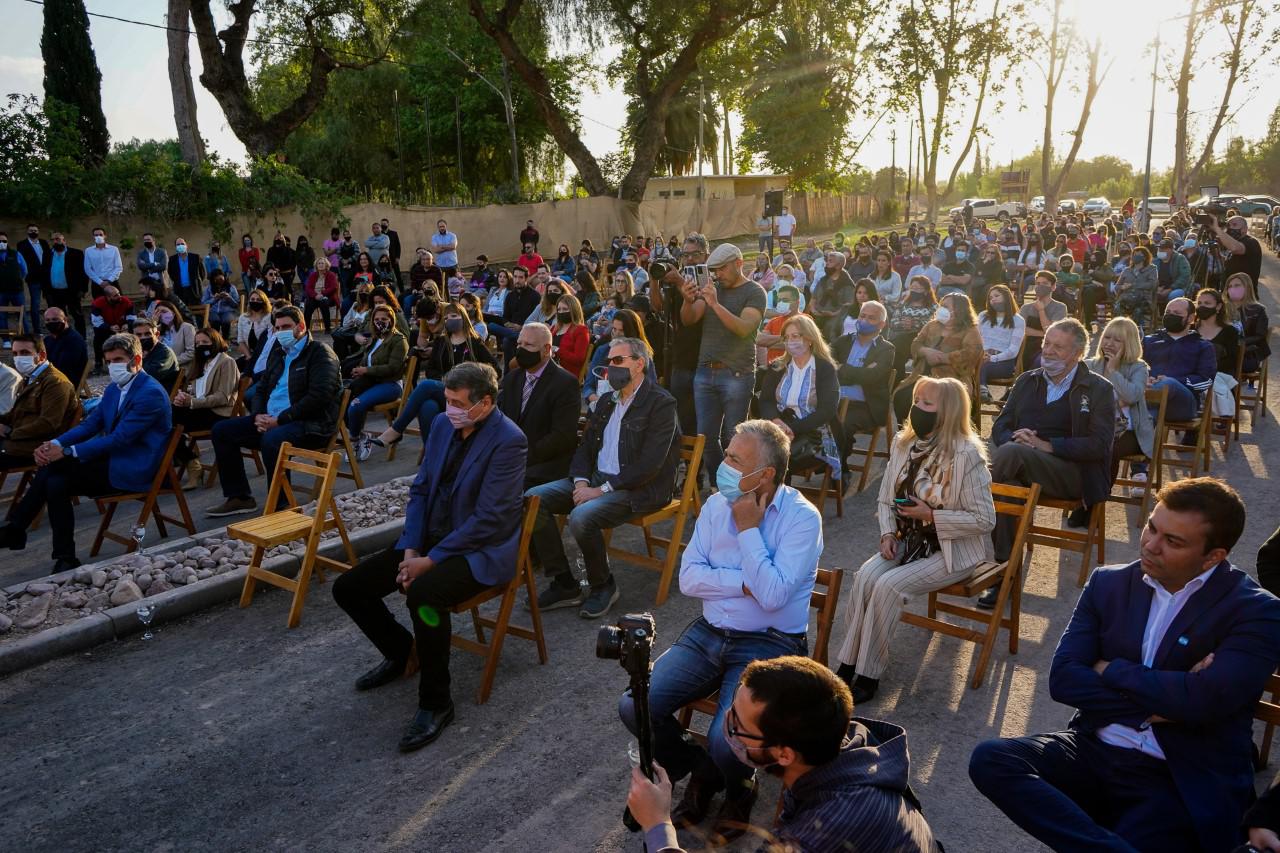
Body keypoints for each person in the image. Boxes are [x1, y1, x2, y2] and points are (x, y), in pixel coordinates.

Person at [970, 477, 1280, 853]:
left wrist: (1110, 669)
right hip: (1095, 750)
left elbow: (1205, 701)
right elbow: (1064, 679)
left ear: (1214, 556)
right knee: (991, 759)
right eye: (1152, 527)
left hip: (1178, 775)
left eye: (1173, 541)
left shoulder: (1258, 611)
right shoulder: (1108, 582)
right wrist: (1168, 700)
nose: (1150, 545)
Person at [619, 421, 821, 840]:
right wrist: (741, 581)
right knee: (633, 705)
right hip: (709, 631)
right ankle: (701, 766)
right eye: (726, 453)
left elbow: (772, 595)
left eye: (734, 459)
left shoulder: (802, 518)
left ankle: (739, 787)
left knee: (726, 736)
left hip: (771, 642)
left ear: (765, 474)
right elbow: (689, 579)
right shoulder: (715, 506)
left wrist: (748, 529)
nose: (722, 464)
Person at [333, 362, 525, 753]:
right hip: (428, 542)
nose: (449, 408)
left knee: (423, 594)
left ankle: (437, 702)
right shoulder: (441, 425)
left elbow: (489, 520)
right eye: (447, 400)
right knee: (349, 588)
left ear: (484, 403)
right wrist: (410, 549)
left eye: (457, 403)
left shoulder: (509, 440)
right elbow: (420, 491)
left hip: (477, 551)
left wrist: (430, 561)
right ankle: (403, 652)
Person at [629, 656, 941, 853]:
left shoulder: (827, 826)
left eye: (739, 723)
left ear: (785, 754)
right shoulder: (843, 749)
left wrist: (658, 826)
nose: (726, 723)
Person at [834, 377, 996, 703]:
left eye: (927, 403)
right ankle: (846, 665)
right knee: (865, 577)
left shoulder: (967, 455)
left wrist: (931, 515)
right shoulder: (904, 443)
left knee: (887, 586)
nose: (916, 408)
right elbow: (884, 499)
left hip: (950, 551)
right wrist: (886, 533)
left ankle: (868, 674)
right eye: (916, 400)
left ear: (948, 412)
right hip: (909, 541)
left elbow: (984, 520)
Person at [527, 336, 680, 618]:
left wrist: (602, 490)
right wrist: (582, 481)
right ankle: (564, 582)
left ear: (639, 364)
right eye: (609, 361)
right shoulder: (608, 400)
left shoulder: (661, 404)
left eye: (618, 360)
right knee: (533, 500)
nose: (611, 367)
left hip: (639, 488)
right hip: (597, 479)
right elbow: (585, 446)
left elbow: (650, 464)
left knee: (581, 517)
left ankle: (603, 585)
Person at [0, 332, 171, 572]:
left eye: (119, 360)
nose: (113, 366)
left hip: (133, 466)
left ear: (137, 361)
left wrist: (67, 451)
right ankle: (62, 555)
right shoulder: (115, 388)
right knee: (56, 480)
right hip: (110, 459)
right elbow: (90, 425)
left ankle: (18, 530)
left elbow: (120, 439)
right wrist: (55, 443)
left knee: (56, 473)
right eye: (109, 361)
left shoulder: (149, 393)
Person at [984, 319, 1115, 606]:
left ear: (1078, 353)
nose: (1049, 351)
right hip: (1020, 464)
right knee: (1007, 482)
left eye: (1059, 346)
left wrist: (1047, 445)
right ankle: (1005, 573)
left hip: (1070, 474)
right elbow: (1000, 426)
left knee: (1006, 457)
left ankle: (973, 510)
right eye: (1047, 343)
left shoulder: (1098, 389)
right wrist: (1014, 437)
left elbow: (1100, 445)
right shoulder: (1027, 380)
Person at [206, 306, 341, 517]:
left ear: (301, 327)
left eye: (286, 327)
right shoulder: (278, 353)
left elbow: (319, 397)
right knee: (222, 431)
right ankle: (239, 497)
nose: (280, 332)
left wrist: (280, 419)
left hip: (310, 423)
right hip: (272, 419)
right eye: (277, 328)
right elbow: (261, 388)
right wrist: (258, 414)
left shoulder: (320, 353)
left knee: (272, 439)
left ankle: (280, 504)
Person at [683, 243, 767, 480]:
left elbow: (744, 329)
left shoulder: (754, 291)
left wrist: (715, 305)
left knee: (735, 439)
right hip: (705, 371)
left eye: (722, 269)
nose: (717, 275)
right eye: (714, 270)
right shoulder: (712, 288)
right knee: (705, 437)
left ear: (739, 264)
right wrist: (687, 300)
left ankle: (739, 486)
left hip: (737, 373)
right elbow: (689, 320)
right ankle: (722, 485)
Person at [371, 302, 495, 452]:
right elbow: (431, 370)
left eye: (454, 316)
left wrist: (470, 377)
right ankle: (434, 456)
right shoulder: (441, 342)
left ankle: (397, 430)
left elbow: (495, 369)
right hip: (445, 392)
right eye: (447, 317)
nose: (450, 320)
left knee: (425, 387)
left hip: (465, 394)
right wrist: (444, 380)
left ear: (463, 318)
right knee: (427, 406)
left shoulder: (474, 342)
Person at [497, 323, 580, 488]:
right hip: (509, 456)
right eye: (519, 344)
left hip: (544, 463)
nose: (521, 349)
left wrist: (523, 456)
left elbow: (562, 435)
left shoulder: (565, 383)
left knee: (505, 483)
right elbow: (499, 419)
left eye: (529, 345)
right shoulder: (512, 379)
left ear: (546, 349)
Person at [758, 314, 840, 477]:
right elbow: (766, 400)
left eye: (795, 336)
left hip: (813, 433)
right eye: (787, 337)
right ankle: (769, 498)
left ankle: (777, 499)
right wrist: (776, 421)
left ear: (810, 339)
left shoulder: (824, 368)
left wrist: (792, 428)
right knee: (756, 453)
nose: (790, 341)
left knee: (776, 458)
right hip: (779, 428)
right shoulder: (778, 366)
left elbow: (827, 410)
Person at [649, 235, 708, 437]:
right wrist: (653, 280)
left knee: (701, 416)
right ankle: (688, 462)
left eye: (695, 254)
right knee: (681, 414)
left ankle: (699, 464)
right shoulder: (677, 280)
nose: (689, 259)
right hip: (679, 355)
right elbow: (658, 307)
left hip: (702, 357)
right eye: (685, 255)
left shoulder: (709, 280)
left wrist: (680, 280)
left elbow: (697, 302)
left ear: (705, 256)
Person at [1085, 317, 1154, 489]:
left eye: (1117, 340)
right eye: (1107, 337)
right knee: (1079, 445)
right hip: (1095, 427)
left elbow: (1131, 396)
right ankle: (1084, 496)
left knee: (1105, 447)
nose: (1109, 343)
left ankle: (1097, 499)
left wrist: (1113, 371)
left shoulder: (1139, 367)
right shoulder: (1090, 365)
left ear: (1129, 343)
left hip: (1130, 433)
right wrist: (1113, 401)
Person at [892, 292, 983, 422]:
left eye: (945, 306)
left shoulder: (970, 330)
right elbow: (916, 343)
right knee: (902, 395)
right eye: (941, 305)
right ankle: (909, 433)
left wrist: (945, 358)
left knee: (938, 400)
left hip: (952, 379)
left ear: (958, 309)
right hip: (922, 373)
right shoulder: (932, 325)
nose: (941, 309)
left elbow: (972, 352)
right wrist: (926, 351)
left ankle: (935, 436)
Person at [170, 328, 239, 488]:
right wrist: (184, 398)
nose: (201, 346)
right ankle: (191, 462)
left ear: (215, 342)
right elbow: (196, 392)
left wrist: (192, 402)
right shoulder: (201, 364)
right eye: (198, 343)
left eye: (205, 342)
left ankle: (191, 464)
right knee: (165, 419)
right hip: (201, 410)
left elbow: (223, 397)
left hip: (218, 413)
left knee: (168, 424)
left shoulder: (226, 362)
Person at [0, 334, 80, 471]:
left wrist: (10, 432)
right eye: (15, 353)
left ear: (41, 355)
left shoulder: (55, 382)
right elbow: (14, 414)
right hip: (18, 441)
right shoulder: (31, 378)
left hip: (36, 447)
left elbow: (48, 424)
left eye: (25, 352)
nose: (19, 357)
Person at [344, 303, 408, 461]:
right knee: (341, 400)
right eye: (377, 319)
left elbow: (393, 368)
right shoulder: (375, 339)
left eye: (384, 319)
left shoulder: (399, 340)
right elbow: (368, 361)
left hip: (390, 384)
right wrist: (360, 370)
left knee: (356, 405)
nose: (380, 322)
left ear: (391, 320)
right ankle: (361, 435)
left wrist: (366, 371)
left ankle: (354, 440)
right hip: (370, 382)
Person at [1143, 297, 1217, 423]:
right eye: (1168, 313)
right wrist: (1144, 378)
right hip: (1148, 395)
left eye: (1177, 313)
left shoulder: (1203, 346)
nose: (1171, 316)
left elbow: (1206, 381)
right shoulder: (1149, 341)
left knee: (1168, 384)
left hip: (1183, 403)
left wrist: (1173, 381)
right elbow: (1134, 366)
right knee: (1149, 413)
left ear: (1191, 318)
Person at [977, 284, 1026, 400]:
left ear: (1006, 297)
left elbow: (1013, 351)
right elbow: (976, 339)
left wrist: (992, 358)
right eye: (990, 297)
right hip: (981, 357)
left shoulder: (1018, 320)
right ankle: (980, 393)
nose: (992, 299)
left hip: (1004, 363)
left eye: (996, 296)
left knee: (983, 366)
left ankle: (982, 391)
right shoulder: (983, 316)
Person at [1223, 272, 1270, 375]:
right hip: (1225, 353)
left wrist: (1239, 343)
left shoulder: (1258, 310)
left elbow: (1260, 335)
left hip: (1248, 355)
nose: (1232, 288)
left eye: (1237, 285)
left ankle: (1229, 390)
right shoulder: (1222, 310)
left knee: (1224, 365)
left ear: (1247, 287)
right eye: (1230, 286)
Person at [1019, 270, 1069, 366]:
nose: (1040, 286)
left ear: (1053, 287)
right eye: (1038, 283)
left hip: (1049, 348)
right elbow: (1021, 330)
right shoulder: (1026, 307)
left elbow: (1053, 333)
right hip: (1025, 346)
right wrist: (1043, 333)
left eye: (1045, 283)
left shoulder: (1060, 307)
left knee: (1040, 362)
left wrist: (1041, 310)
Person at [44, 233, 88, 336]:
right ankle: (62, 336)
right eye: (53, 240)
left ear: (64, 241)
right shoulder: (47, 254)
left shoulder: (76, 253)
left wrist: (83, 289)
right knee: (58, 317)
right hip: (54, 291)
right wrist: (46, 291)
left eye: (58, 239)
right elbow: (44, 272)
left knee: (77, 315)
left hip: (72, 291)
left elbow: (83, 272)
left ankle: (82, 337)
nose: (55, 241)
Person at [1213, 214, 1262, 294]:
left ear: (1245, 229)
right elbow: (1228, 261)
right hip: (1229, 291)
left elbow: (1235, 248)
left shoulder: (1251, 242)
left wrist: (1217, 229)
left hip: (1245, 294)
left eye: (1234, 225)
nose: (1231, 228)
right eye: (1229, 225)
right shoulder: (1228, 242)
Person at [42, 307, 88, 389]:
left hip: (65, 382)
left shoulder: (74, 340)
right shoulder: (48, 340)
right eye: (48, 320)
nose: (51, 323)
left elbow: (65, 367)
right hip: (50, 378)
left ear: (65, 319)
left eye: (55, 319)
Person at [17, 225, 49, 335]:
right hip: (33, 279)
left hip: (46, 278)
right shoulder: (22, 244)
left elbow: (48, 258)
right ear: (27, 232)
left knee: (51, 302)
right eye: (31, 230)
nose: (33, 232)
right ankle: (37, 330)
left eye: (35, 230)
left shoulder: (44, 243)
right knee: (35, 304)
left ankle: (52, 325)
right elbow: (22, 262)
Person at [131, 317, 179, 391]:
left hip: (159, 395)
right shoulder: (137, 351)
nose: (143, 337)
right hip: (143, 391)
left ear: (156, 334)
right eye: (139, 335)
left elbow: (147, 376)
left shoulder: (165, 353)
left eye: (147, 334)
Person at [1115, 246, 1159, 325]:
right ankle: (1120, 329)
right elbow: (1116, 286)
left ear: (1145, 257)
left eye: (1138, 255)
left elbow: (1152, 285)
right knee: (1117, 308)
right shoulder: (1127, 270)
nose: (1135, 256)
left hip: (1143, 299)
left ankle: (1136, 332)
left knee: (1138, 311)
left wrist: (1133, 285)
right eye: (1134, 254)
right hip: (1127, 299)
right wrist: (1122, 287)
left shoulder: (1152, 269)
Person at [550, 291, 589, 379]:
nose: (561, 312)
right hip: (551, 369)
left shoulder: (581, 330)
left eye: (565, 309)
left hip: (567, 374)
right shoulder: (554, 328)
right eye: (559, 309)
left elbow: (578, 359)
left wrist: (557, 350)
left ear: (573, 310)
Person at [235, 287, 274, 371]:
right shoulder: (243, 317)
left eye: (258, 299)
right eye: (252, 299)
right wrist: (249, 356)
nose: (255, 301)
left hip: (265, 356)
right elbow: (240, 340)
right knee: (233, 367)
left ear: (264, 302)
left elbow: (271, 340)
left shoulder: (269, 317)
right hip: (249, 354)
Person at [302, 256, 341, 334]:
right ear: (316, 265)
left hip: (329, 297)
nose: (320, 265)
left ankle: (327, 328)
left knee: (324, 302)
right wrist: (315, 295)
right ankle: (306, 329)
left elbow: (334, 287)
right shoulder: (313, 275)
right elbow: (308, 288)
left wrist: (322, 294)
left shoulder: (331, 275)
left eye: (322, 263)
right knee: (309, 304)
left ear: (326, 265)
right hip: (315, 297)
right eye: (319, 263)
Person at [154, 300, 195, 367]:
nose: (161, 315)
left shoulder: (187, 327)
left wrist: (170, 363)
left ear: (173, 312)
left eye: (164, 311)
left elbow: (191, 353)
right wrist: (153, 325)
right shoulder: (157, 330)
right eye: (158, 313)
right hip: (160, 367)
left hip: (179, 367)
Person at [167, 237, 205, 307]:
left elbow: (202, 273)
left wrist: (196, 282)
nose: (180, 246)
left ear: (186, 245)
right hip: (180, 291)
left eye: (182, 244)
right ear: (175, 247)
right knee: (183, 313)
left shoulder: (195, 257)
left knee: (197, 313)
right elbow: (170, 273)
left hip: (194, 290)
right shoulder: (172, 260)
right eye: (178, 245)